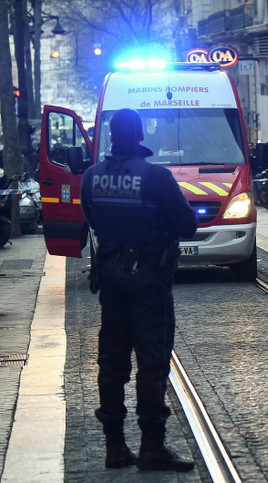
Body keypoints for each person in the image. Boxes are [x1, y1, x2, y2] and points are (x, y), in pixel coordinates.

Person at [80, 108, 199, 471]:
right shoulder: (156, 176)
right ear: (141, 134)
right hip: (149, 278)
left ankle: (114, 447)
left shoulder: (92, 176)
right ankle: (152, 446)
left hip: (111, 277)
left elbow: (92, 217)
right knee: (152, 361)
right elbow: (188, 226)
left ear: (112, 134)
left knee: (112, 362)